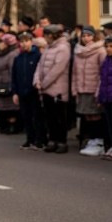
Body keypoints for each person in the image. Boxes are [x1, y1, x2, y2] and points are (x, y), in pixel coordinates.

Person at [34, 25, 71, 154]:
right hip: (45, 89)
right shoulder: (49, 48)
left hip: (57, 89)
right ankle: (52, 139)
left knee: (59, 117)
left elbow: (57, 69)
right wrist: (37, 80)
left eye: (45, 35)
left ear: (51, 35)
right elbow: (40, 65)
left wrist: (44, 83)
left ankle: (62, 141)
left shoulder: (63, 48)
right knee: (49, 116)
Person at [73, 26, 107, 156]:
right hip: (82, 89)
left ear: (94, 36)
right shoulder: (78, 51)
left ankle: (99, 141)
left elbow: (102, 73)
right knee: (87, 115)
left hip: (94, 89)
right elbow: (75, 73)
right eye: (84, 36)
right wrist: (74, 89)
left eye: (89, 35)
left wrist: (99, 91)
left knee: (96, 115)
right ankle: (92, 139)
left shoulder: (100, 51)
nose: (86, 38)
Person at [11, 32, 47, 149]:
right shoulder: (18, 58)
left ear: (31, 41)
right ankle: (29, 139)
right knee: (26, 116)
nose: (24, 44)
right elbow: (14, 76)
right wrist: (15, 92)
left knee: (37, 116)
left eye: (26, 41)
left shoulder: (37, 56)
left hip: (34, 91)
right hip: (22, 91)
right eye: (22, 41)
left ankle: (40, 139)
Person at [0, 33, 21, 134]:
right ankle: (4, 125)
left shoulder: (12, 54)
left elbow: (13, 70)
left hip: (7, 83)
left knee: (10, 107)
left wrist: (11, 84)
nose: (0, 44)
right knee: (2, 106)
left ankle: (12, 125)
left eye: (2, 42)